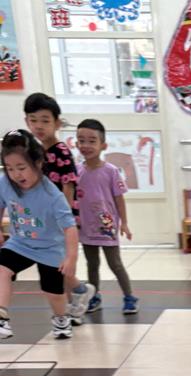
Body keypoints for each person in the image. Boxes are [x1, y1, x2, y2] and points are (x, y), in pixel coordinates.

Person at [23, 93, 95, 322]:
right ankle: (75, 300)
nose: (39, 126)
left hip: (62, 219)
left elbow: (68, 187)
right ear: (27, 122)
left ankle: (78, 296)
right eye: (33, 120)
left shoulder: (60, 151)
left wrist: (63, 219)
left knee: (59, 265)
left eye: (45, 120)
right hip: (44, 218)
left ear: (57, 123)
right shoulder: (35, 151)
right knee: (54, 265)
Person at [0, 129, 78, 340]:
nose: (16, 174)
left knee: (54, 293)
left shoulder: (52, 195)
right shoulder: (5, 183)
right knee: (2, 269)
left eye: (21, 168)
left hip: (50, 248)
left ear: (38, 163)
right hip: (19, 243)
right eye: (9, 168)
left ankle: (61, 318)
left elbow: (70, 227)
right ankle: (2, 317)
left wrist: (71, 258)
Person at [75, 119, 139, 315]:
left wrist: (124, 223)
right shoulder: (76, 171)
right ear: (76, 144)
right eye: (81, 140)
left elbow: (119, 199)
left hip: (107, 227)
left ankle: (129, 297)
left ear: (103, 145)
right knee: (92, 264)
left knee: (115, 264)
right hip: (86, 228)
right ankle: (94, 297)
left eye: (92, 141)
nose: (86, 145)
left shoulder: (111, 171)